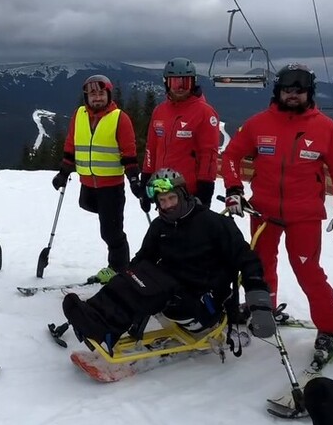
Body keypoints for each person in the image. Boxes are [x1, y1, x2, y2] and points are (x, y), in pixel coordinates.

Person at [221, 63, 333, 362]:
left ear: (309, 93)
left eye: (299, 91)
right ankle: (262, 310)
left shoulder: (324, 127)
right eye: (287, 90)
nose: (292, 95)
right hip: (263, 213)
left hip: (304, 215)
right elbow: (230, 156)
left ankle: (330, 329)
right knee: (258, 267)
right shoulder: (258, 124)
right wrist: (233, 190)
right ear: (278, 92)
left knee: (308, 273)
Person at [62, 169, 276, 349]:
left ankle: (103, 330)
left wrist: (260, 305)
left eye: (172, 198)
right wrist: (126, 278)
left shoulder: (214, 223)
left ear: (183, 194)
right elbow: (143, 258)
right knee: (130, 278)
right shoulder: (160, 226)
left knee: (143, 288)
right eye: (162, 201)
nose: (168, 205)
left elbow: (248, 261)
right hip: (171, 288)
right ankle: (91, 315)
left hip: (201, 301)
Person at [52, 74, 139, 276]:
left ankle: (119, 268)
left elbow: (129, 152)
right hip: (88, 183)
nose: (97, 98)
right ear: (86, 97)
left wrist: (134, 180)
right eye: (92, 94)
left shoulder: (119, 118)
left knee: (111, 231)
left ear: (108, 95)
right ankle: (118, 259)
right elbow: (71, 146)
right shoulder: (79, 115)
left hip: (111, 185)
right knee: (87, 206)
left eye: (101, 94)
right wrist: (63, 173)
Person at [139, 57, 220, 213]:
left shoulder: (204, 112)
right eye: (175, 83)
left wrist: (205, 189)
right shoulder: (159, 111)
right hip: (162, 189)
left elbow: (208, 154)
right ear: (166, 83)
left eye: (185, 82)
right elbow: (151, 148)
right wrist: (146, 180)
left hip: (188, 192)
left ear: (193, 83)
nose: (180, 87)